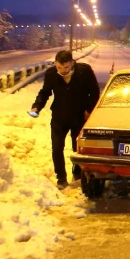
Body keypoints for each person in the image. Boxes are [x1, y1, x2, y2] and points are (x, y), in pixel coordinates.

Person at [31, 50, 101, 188]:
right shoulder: (51, 74)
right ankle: (61, 178)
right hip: (59, 117)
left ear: (72, 63)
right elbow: (45, 92)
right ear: (55, 64)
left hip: (79, 116)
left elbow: (94, 92)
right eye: (59, 67)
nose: (63, 71)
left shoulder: (84, 71)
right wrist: (36, 107)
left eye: (66, 67)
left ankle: (77, 172)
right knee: (57, 148)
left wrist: (88, 110)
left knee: (78, 148)